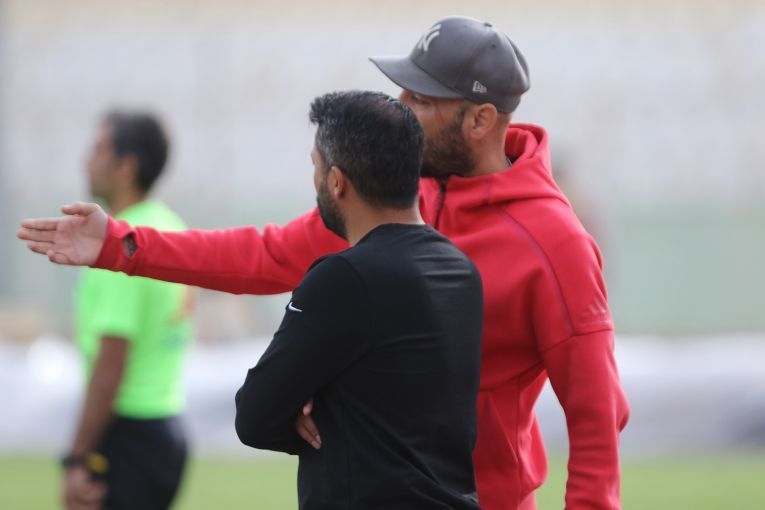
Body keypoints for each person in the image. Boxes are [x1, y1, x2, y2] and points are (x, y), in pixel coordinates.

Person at [18, 16, 630, 510]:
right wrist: (118, 244)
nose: (400, 107)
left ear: (480, 120)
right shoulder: (393, 199)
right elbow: (263, 254)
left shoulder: (555, 242)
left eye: (421, 99)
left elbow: (596, 417)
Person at [235, 90, 483, 508]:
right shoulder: (461, 271)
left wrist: (314, 410)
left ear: (336, 181)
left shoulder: (343, 278)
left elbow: (255, 416)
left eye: (316, 168)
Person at [57, 112, 193, 510]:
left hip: (127, 435)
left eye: (98, 149)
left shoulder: (121, 246)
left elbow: (110, 366)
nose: (87, 160)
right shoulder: (171, 227)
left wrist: (76, 457)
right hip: (166, 430)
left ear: (126, 167)